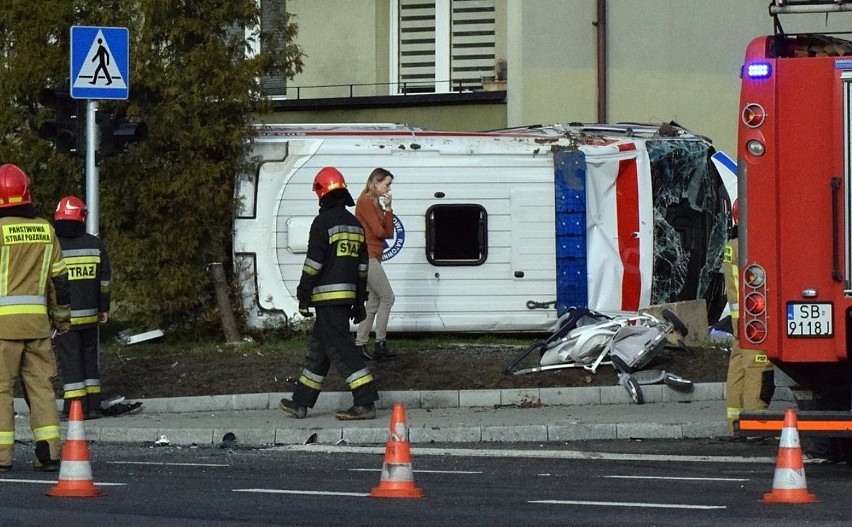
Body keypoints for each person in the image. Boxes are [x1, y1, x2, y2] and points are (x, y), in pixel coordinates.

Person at [279, 167, 379, 420]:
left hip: (326, 300)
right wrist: (358, 303)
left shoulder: (323, 222)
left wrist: (303, 295)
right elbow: (362, 268)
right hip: (345, 301)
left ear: (321, 192)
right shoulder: (355, 225)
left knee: (342, 349)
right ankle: (301, 402)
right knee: (320, 350)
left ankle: (365, 402)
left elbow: (314, 264)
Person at [0, 164, 70, 472]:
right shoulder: (46, 229)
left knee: (1, 390)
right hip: (38, 326)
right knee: (42, 388)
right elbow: (61, 281)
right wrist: (63, 320)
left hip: (3, 328)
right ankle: (49, 454)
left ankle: (2, 457)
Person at [52, 196, 141, 419]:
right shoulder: (94, 244)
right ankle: (92, 406)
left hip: (66, 318)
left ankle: (74, 409)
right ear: (81, 217)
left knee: (71, 363)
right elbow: (104, 280)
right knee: (90, 362)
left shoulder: (54, 246)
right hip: (91, 317)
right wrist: (103, 308)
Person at [723, 199, 773, 436]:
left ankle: (735, 423)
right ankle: (756, 425)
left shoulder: (732, 245)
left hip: (738, 319)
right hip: (754, 318)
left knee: (738, 367)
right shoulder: (750, 246)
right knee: (757, 366)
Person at [354, 167, 398, 361]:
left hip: (373, 256)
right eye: (387, 184)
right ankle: (380, 343)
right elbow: (379, 232)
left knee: (373, 302)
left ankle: (360, 344)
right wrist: (384, 213)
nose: (388, 189)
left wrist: (388, 208)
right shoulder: (365, 202)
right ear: (376, 182)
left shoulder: (376, 204)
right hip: (368, 256)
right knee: (387, 297)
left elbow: (388, 232)